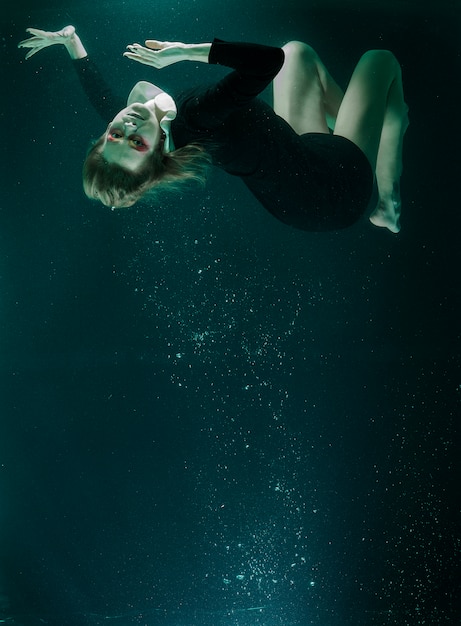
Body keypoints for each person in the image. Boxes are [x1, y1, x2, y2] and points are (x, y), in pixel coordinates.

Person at [18, 25, 408, 233]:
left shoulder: (145, 126)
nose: (125, 124)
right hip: (333, 192)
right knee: (381, 60)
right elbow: (265, 63)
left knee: (298, 53)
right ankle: (386, 198)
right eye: (134, 141)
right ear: (156, 151)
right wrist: (185, 50)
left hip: (298, 160)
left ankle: (357, 125)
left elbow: (103, 101)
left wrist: (71, 44)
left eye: (114, 135)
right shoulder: (194, 116)